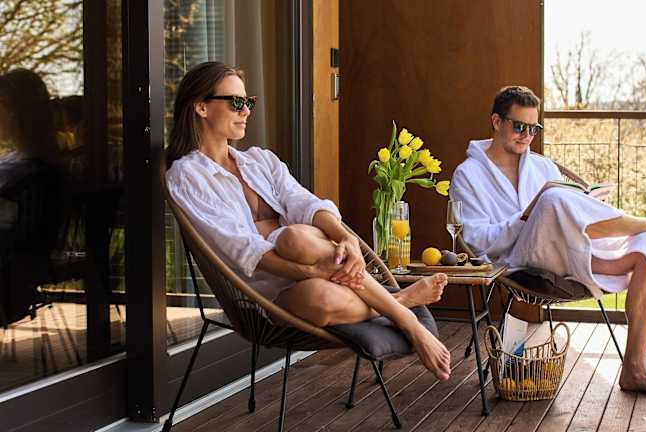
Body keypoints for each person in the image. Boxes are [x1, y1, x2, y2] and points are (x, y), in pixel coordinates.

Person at [165, 61, 451, 380]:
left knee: (294, 238)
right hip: (268, 295)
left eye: (248, 102)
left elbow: (305, 202)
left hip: (322, 260)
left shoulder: (260, 160)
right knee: (321, 297)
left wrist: (347, 240)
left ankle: (405, 319)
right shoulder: (188, 175)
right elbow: (239, 248)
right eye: (235, 102)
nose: (245, 111)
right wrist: (311, 272)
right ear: (201, 107)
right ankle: (401, 302)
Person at [450, 85, 646, 399]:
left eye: (533, 128)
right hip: (517, 258)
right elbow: (476, 241)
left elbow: (566, 213)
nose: (526, 135)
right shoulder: (468, 175)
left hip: (569, 250)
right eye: (519, 126)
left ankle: (635, 368)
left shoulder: (542, 166)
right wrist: (525, 217)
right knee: (552, 200)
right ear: (496, 121)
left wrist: (585, 202)